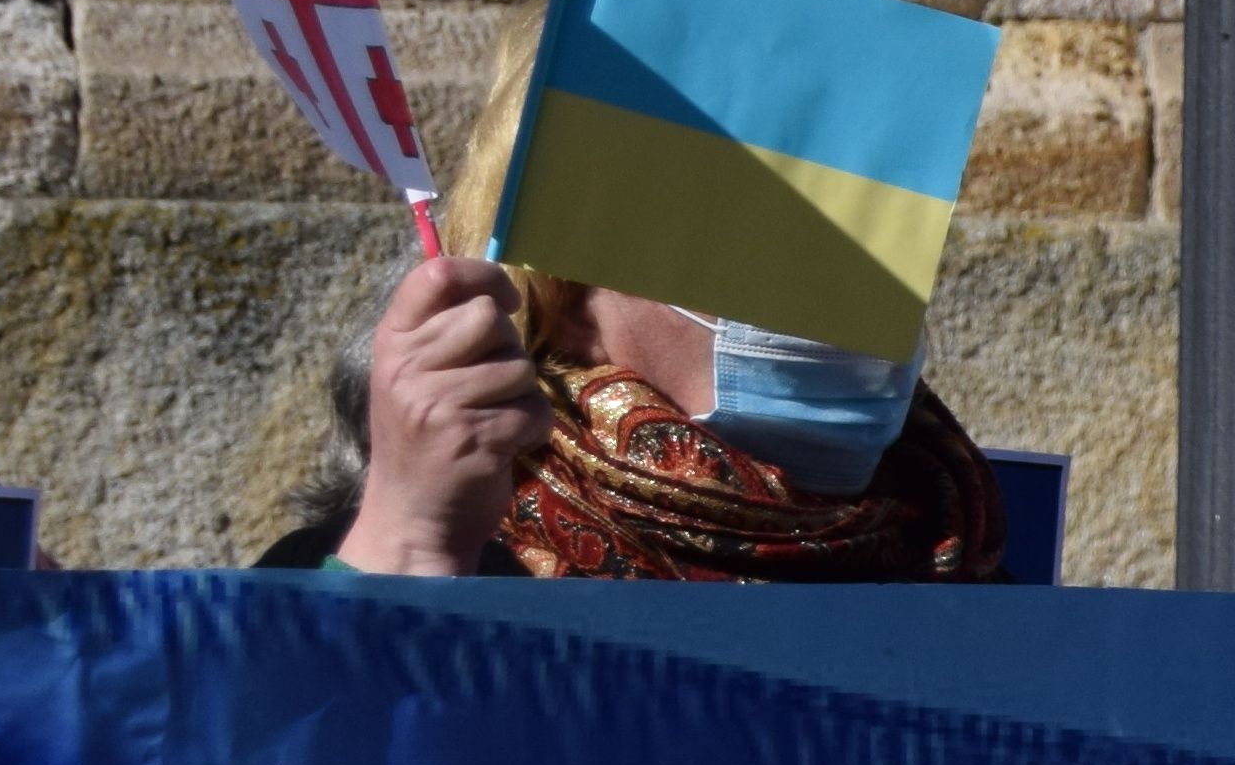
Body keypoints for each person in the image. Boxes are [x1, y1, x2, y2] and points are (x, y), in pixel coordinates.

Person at [274, 240, 1003, 578]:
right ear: (564, 296)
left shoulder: (975, 574)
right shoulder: (359, 576)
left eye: (878, 240)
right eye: (743, 237)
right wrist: (415, 544)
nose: (832, 295)